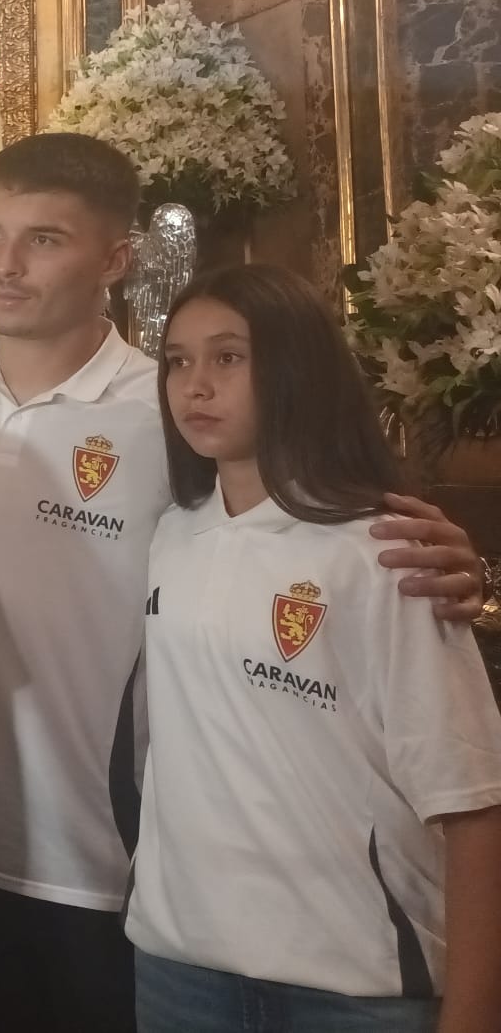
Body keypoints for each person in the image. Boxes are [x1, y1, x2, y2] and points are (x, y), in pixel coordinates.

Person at [0, 133, 489, 1033]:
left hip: (112, 864)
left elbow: (303, 519)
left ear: (115, 260)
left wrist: (445, 555)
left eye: (43, 239)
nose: (5, 264)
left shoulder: (165, 411)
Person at [130, 264, 501, 1032]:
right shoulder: (171, 534)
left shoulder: (384, 551)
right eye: (177, 360)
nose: (195, 385)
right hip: (180, 965)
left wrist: (473, 1012)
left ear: (295, 367)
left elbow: (473, 804)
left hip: (349, 983)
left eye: (228, 357)